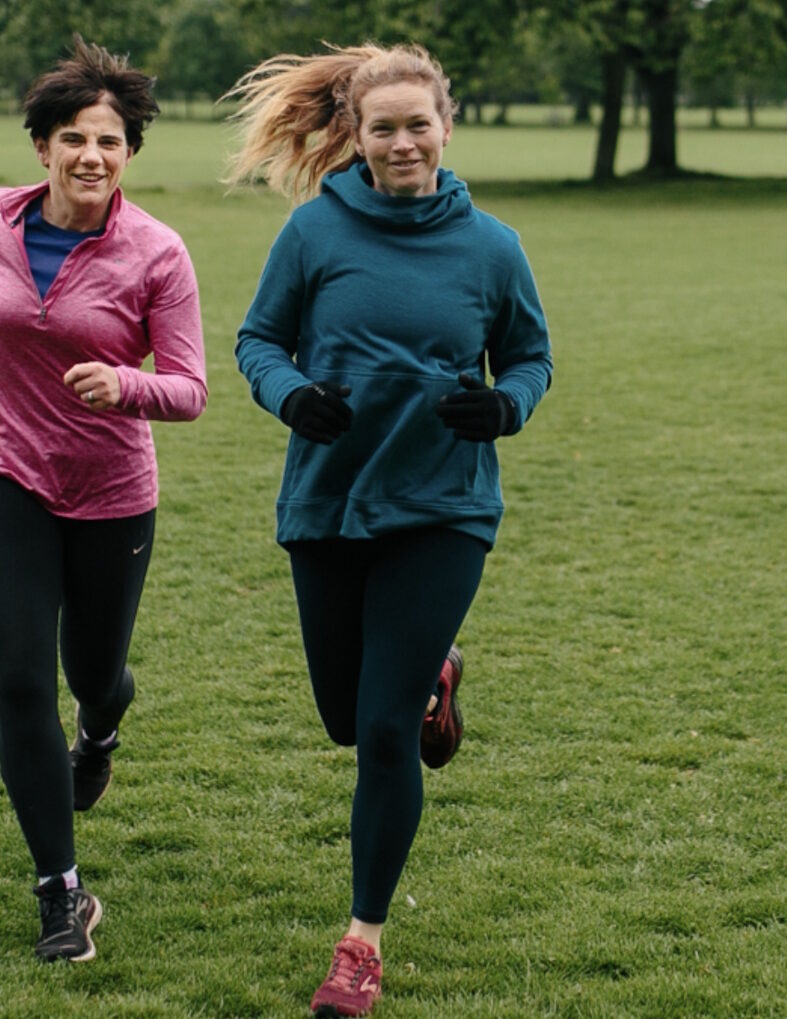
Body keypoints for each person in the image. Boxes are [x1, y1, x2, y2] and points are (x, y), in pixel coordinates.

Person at [225, 43, 552, 1017]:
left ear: (446, 127)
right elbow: (255, 341)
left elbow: (529, 355)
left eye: (418, 124)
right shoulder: (311, 233)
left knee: (377, 732)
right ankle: (431, 679)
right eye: (383, 127)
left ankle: (359, 942)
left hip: (442, 507)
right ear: (356, 137)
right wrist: (289, 395)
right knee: (344, 716)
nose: (402, 141)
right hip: (327, 503)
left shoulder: (492, 245)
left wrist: (504, 408)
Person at [0, 37, 207, 963]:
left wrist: (125, 384)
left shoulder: (157, 253)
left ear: (130, 153)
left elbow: (189, 387)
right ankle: (61, 891)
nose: (90, 156)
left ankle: (102, 722)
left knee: (91, 672)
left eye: (108, 140)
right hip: (1, 471)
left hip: (109, 492)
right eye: (72, 138)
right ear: (43, 147)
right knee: (21, 679)